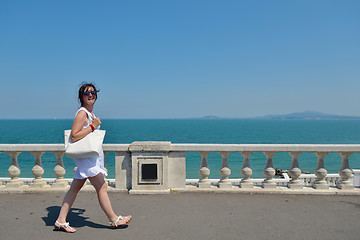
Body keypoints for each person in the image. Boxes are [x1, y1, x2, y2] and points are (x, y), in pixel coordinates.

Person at [54, 83, 132, 233]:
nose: (91, 94)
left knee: (74, 188)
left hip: (88, 159)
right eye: (86, 93)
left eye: (93, 92)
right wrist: (92, 126)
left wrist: (93, 124)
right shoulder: (82, 113)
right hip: (87, 160)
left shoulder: (89, 114)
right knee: (101, 187)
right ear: (81, 97)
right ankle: (114, 219)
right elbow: (74, 136)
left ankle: (60, 220)